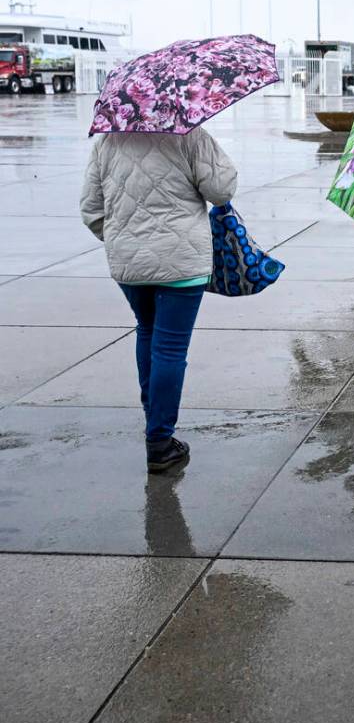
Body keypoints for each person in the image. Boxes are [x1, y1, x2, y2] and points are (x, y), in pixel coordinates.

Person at [80, 126, 237, 472]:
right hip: (182, 263)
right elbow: (221, 190)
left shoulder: (107, 141)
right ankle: (160, 442)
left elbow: (91, 209)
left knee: (147, 332)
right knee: (170, 348)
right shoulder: (190, 135)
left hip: (129, 265)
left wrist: (123, 241)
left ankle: (156, 425)